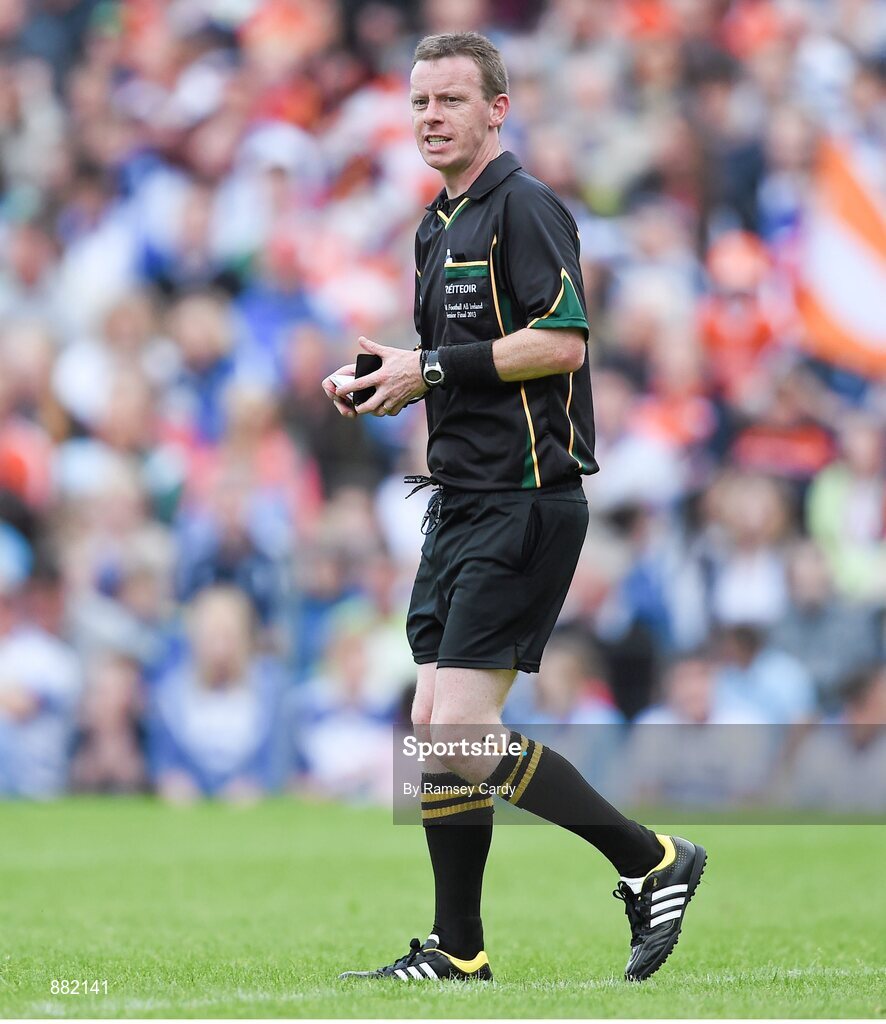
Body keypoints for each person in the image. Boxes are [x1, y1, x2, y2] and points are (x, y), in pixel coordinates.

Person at [322, 32, 706, 984]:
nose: (430, 118)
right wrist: (388, 380)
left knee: (456, 729)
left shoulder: (525, 208)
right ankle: (460, 949)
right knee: (435, 725)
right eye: (419, 102)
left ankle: (651, 858)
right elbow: (455, 363)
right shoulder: (434, 224)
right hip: (461, 500)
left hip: (527, 498)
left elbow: (564, 343)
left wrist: (432, 368)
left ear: (498, 108)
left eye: (451, 100)